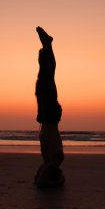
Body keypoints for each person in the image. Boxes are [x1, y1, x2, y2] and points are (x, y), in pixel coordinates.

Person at [34, 26, 65, 188]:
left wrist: (46, 179)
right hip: (46, 116)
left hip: (49, 116)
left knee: (47, 75)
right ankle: (46, 47)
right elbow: (39, 176)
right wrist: (54, 179)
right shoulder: (51, 161)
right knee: (45, 76)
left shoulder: (54, 160)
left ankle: (47, 46)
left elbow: (40, 178)